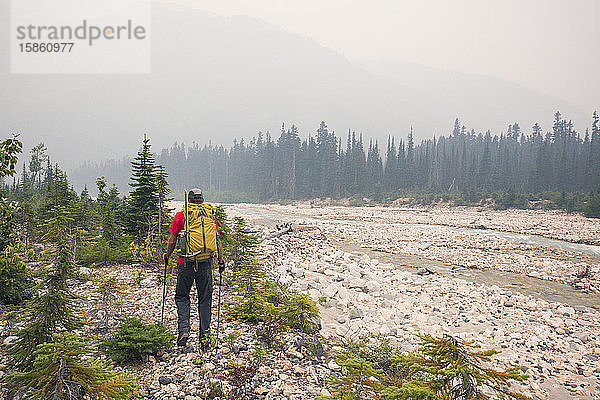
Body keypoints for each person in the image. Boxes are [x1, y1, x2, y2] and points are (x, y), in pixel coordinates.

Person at [163, 188, 225, 349]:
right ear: (202, 200)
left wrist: (167, 256)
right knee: (205, 299)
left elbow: (172, 241)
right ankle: (205, 339)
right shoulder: (210, 216)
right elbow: (217, 240)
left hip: (186, 263)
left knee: (182, 296)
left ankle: (184, 329)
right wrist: (221, 261)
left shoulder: (181, 215)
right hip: (205, 263)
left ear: (189, 200)